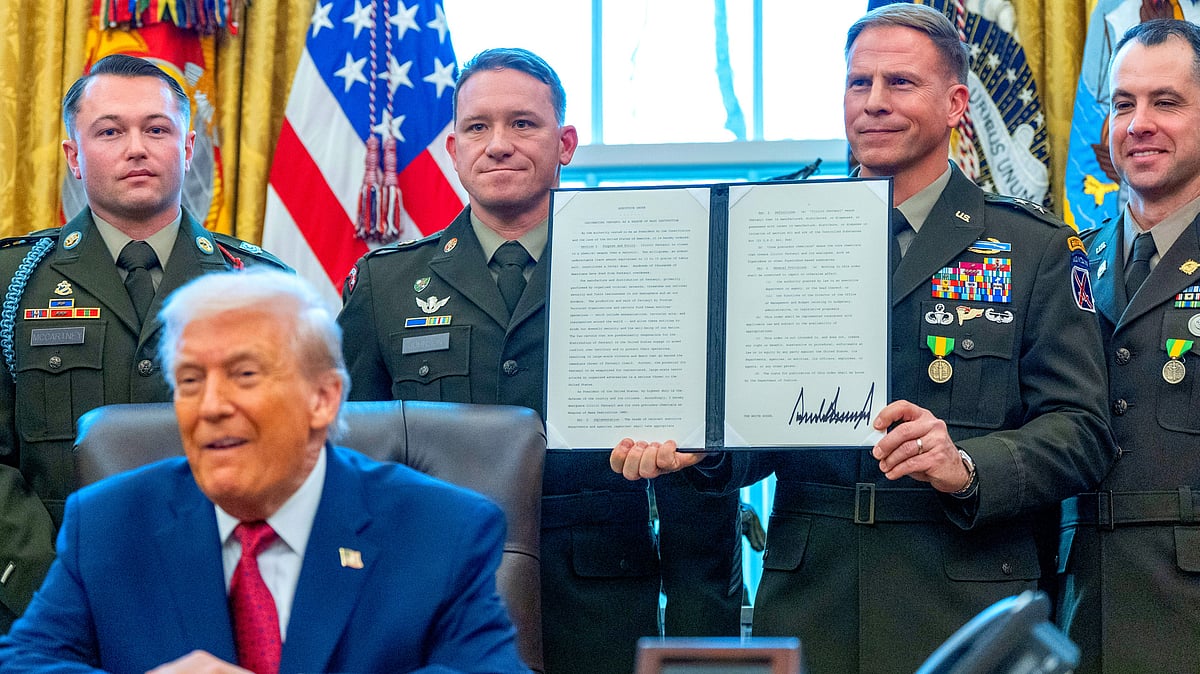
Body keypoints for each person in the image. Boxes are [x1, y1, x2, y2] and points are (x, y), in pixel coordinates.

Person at [610, 4, 1115, 673]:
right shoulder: (783, 234)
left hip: (963, 601)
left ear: (958, 102)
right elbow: (757, 426)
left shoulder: (1034, 248)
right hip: (810, 601)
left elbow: (1082, 432)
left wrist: (966, 465)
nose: (874, 102)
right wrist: (704, 446)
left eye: (900, 83)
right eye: (859, 83)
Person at [337, 47, 743, 673]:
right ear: (453, 149)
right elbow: (349, 463)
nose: (498, 144)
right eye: (478, 127)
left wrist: (701, 642)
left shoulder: (639, 269)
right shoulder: (385, 287)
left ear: (566, 142)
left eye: (523, 124)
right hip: (441, 597)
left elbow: (694, 479)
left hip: (605, 605)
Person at [0, 269, 528, 673]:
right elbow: (27, 662)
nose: (209, 407)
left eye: (244, 375)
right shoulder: (109, 524)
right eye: (188, 381)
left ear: (322, 399)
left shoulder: (441, 531)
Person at [0, 54, 287, 632]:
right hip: (46, 605)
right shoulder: (12, 282)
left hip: (225, 602)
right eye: (110, 131)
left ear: (186, 149)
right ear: (74, 157)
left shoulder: (260, 284)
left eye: (157, 129)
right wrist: (49, 585)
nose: (137, 147)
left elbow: (298, 454)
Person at [1057, 19, 1200, 673]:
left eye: (1165, 102)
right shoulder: (1066, 267)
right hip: (1078, 607)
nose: (1138, 123)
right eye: (1123, 104)